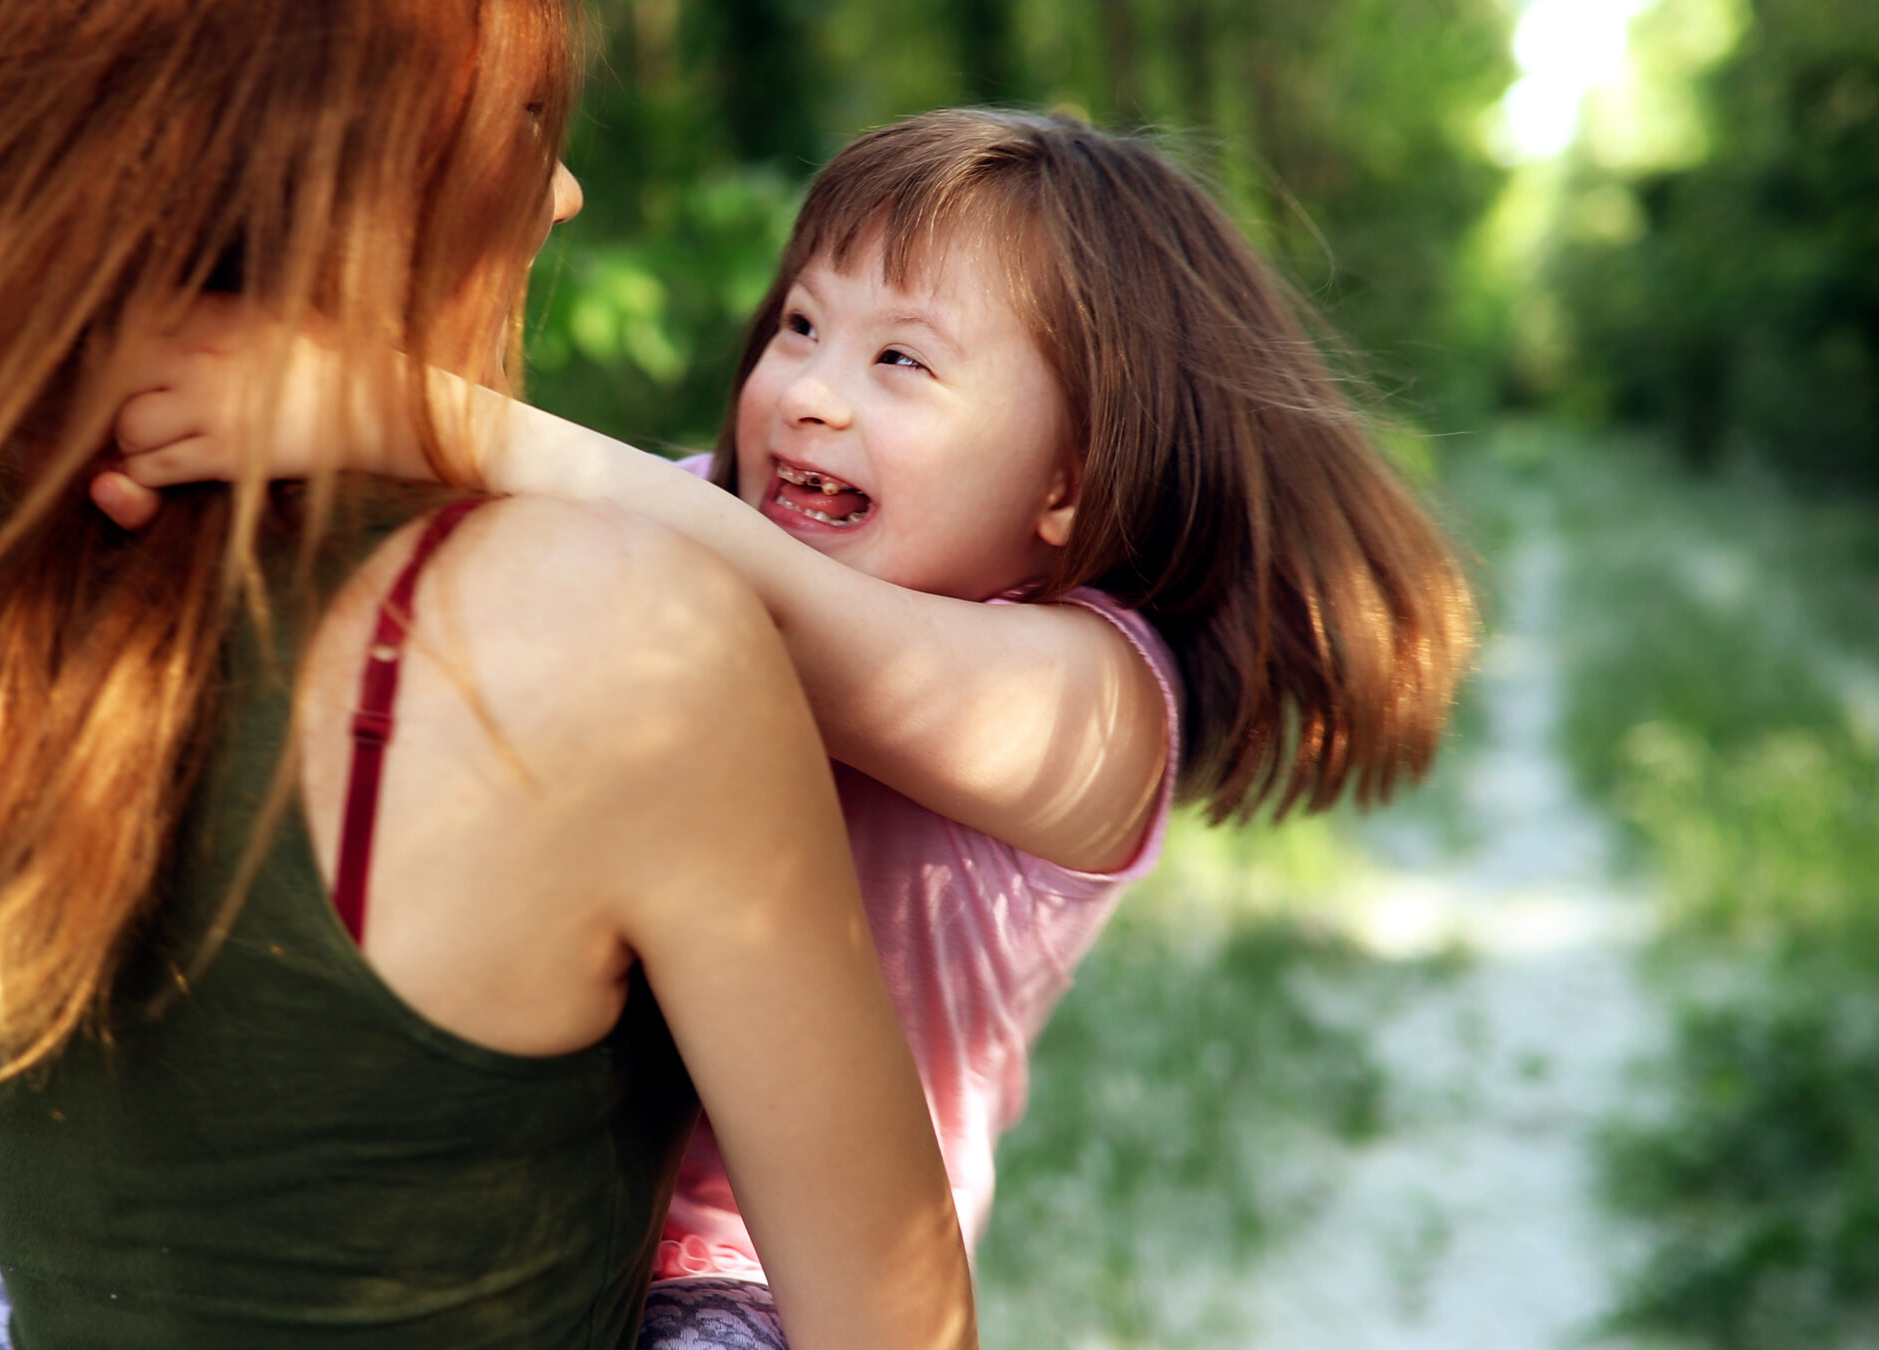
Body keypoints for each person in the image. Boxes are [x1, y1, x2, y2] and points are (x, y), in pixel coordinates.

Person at [0, 4, 977, 1349]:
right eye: (527, 120)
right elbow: (895, 1318)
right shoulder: (612, 631)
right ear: (381, 155)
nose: (560, 192)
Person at [86, 106, 1480, 1329]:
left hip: (765, 1281)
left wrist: (393, 406)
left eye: (902, 363)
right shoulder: (715, 512)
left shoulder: (1095, 704)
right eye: (802, 327)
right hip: (528, 1203)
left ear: (1070, 480)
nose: (810, 392)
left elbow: (784, 626)